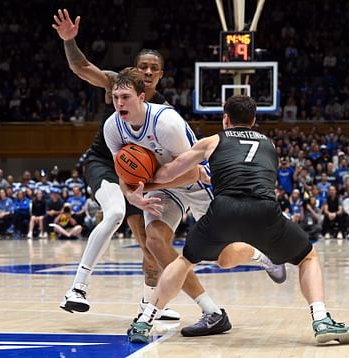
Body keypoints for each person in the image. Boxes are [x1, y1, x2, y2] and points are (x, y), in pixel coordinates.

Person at [127, 95, 349, 344]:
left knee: (184, 261)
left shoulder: (212, 141)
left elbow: (167, 173)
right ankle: (321, 320)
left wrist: (137, 186)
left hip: (224, 211)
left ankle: (145, 321)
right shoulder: (269, 144)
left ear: (225, 119)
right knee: (307, 257)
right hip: (264, 210)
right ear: (254, 120)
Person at [105, 70, 285, 336]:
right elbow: (123, 171)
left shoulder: (166, 123)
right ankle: (211, 311)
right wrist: (130, 194)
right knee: (155, 242)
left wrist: (145, 187)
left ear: (141, 97)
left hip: (197, 183)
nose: (119, 103)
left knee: (224, 256)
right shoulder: (112, 127)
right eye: (115, 97)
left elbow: (191, 172)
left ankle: (261, 255)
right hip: (164, 187)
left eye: (125, 97)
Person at [53, 9, 176, 318]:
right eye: (143, 66)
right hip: (104, 163)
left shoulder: (164, 109)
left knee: (150, 246)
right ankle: (77, 287)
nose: (148, 71)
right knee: (116, 212)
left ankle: (151, 305)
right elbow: (82, 67)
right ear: (136, 68)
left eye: (154, 68)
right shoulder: (117, 85)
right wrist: (70, 41)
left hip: (137, 175)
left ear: (161, 75)